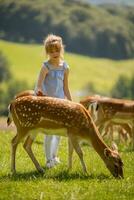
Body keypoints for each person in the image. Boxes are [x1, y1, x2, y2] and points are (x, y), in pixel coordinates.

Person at [35, 34, 72, 168]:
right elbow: (39, 85)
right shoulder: (46, 67)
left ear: (61, 49)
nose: (54, 53)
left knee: (59, 132)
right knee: (49, 133)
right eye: (51, 51)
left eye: (56, 50)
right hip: (48, 104)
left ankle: (55, 156)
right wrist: (40, 93)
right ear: (47, 53)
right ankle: (48, 160)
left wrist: (71, 102)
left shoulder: (65, 67)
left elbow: (66, 87)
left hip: (61, 103)